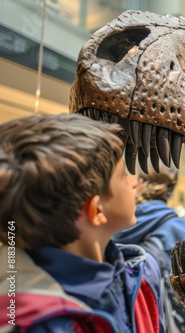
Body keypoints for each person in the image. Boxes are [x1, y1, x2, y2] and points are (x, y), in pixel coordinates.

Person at [0, 114, 164, 332]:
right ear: (96, 211)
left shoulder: (144, 273)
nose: (134, 183)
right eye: (123, 175)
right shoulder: (34, 323)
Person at [112, 163, 185, 332]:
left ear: (140, 183)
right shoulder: (180, 227)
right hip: (167, 318)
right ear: (172, 187)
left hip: (125, 317)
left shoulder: (120, 221)